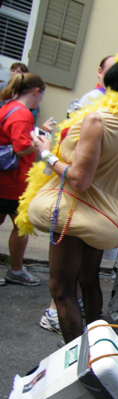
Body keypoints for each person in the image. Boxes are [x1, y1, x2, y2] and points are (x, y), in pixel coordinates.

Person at [19, 55, 118, 344]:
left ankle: (80, 358)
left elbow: (78, 180)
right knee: (88, 281)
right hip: (111, 220)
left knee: (61, 289)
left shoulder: (98, 120)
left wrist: (45, 151)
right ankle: (99, 349)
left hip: (77, 215)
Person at [0, 73, 47, 287]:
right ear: (36, 91)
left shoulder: (7, 107)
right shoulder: (22, 114)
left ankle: (16, 269)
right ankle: (16, 270)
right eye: (41, 96)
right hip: (14, 182)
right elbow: (20, 150)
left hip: (6, 179)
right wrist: (40, 144)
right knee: (22, 226)